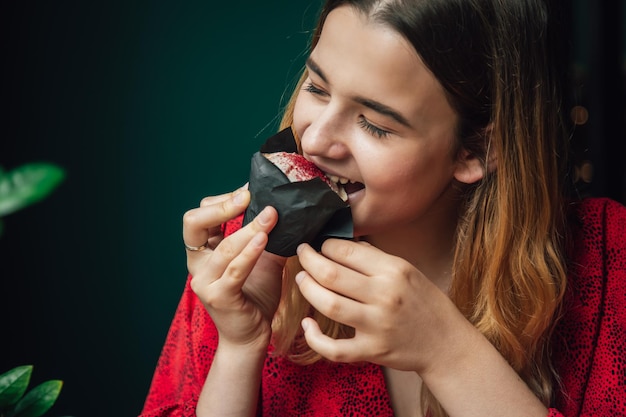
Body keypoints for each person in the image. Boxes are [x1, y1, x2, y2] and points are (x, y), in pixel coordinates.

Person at [140, 0, 626, 416]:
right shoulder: (242, 255)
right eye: (317, 88)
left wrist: (448, 353)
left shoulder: (609, 259)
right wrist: (239, 346)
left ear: (477, 150)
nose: (314, 138)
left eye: (374, 124)